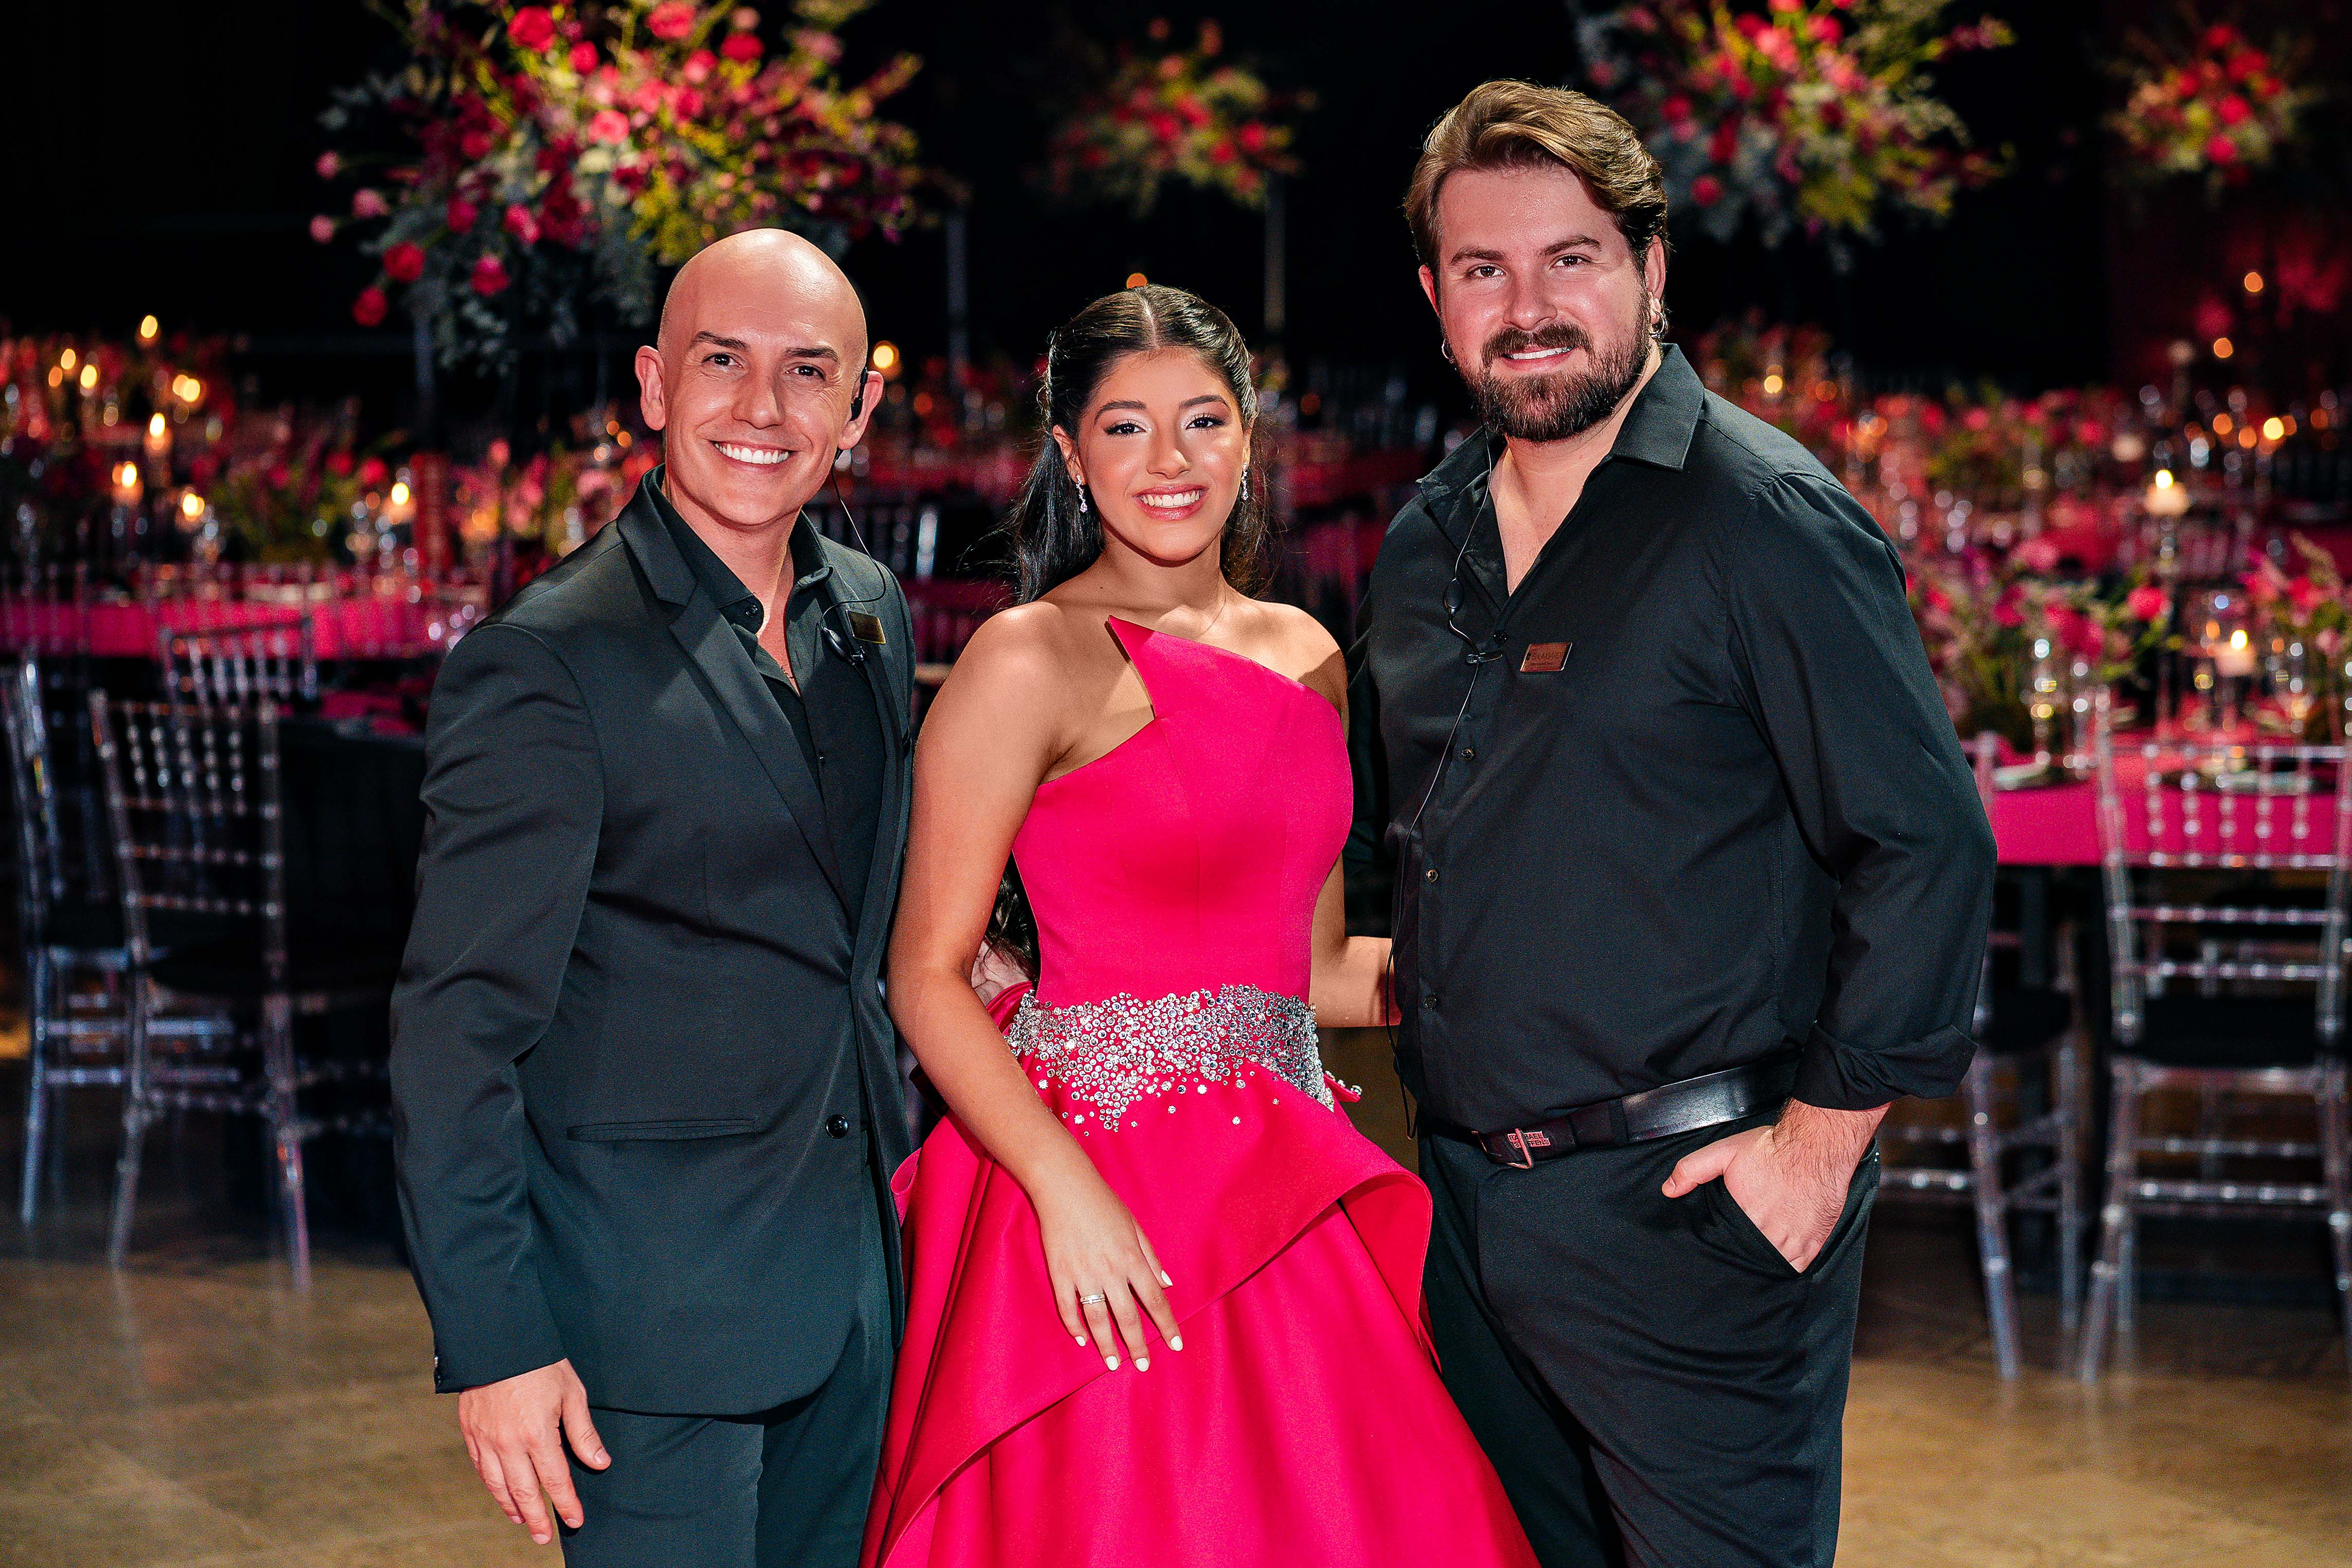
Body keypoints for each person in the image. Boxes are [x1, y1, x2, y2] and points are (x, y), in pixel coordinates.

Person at [1350, 82, 1995, 1567]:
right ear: (1435, 300)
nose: (1527, 308)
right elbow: (1390, 851)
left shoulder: (1759, 518)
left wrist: (1814, 1156)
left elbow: (1923, 846)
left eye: (1568, 259)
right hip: (1467, 1213)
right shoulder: (1423, 540)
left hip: (1691, 1214)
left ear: (1649, 268)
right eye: (1482, 268)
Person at [863, 284, 1537, 1567]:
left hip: (1281, 1183)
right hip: (1096, 1186)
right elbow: (927, 974)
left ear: (1246, 438)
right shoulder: (1025, 659)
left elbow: (1312, 969)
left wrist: (1536, 967)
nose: (1168, 460)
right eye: (1125, 427)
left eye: (1202, 421)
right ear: (1071, 453)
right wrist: (1064, 1189)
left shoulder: (1307, 653)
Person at [390, 228, 916, 1566]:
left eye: (808, 371)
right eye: (721, 361)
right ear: (653, 384)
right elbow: (456, 1032)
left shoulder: (867, 607)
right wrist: (496, 1344)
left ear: (860, 408)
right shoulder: (547, 661)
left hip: (855, 1297)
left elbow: (849, 926)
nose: (762, 407)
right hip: (643, 1326)